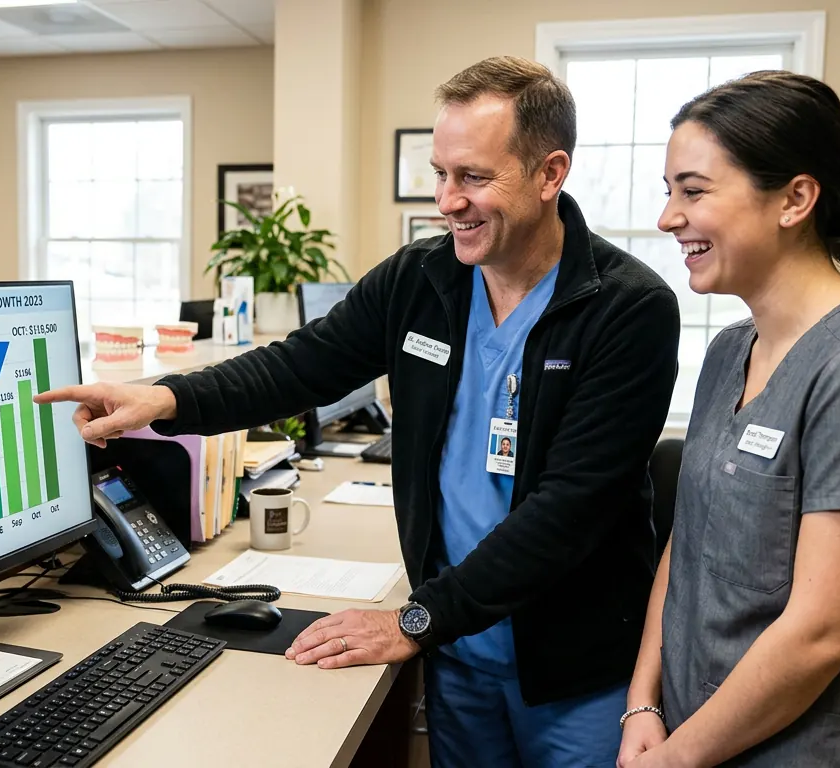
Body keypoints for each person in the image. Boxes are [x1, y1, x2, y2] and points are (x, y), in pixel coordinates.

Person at [37, 55, 680, 764]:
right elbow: (299, 365)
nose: (447, 201)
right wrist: (163, 397)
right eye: (440, 173)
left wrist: (415, 620)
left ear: (549, 174)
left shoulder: (628, 309)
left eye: (473, 177)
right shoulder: (423, 279)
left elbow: (570, 511)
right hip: (460, 651)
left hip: (572, 667)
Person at [617, 71, 840, 767]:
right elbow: (687, 544)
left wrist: (675, 759)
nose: (669, 216)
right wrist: (644, 702)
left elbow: (821, 632)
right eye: (669, 190)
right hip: (695, 733)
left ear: (795, 198)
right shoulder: (731, 350)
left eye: (694, 190)